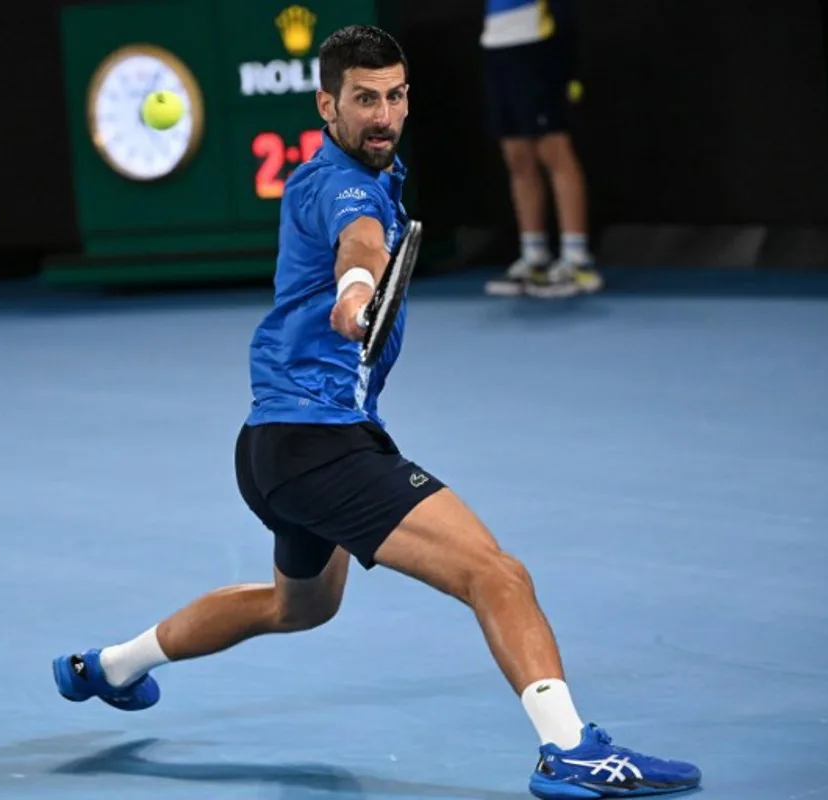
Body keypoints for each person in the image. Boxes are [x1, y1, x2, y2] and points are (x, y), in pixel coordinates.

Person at [52, 24, 700, 799]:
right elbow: (358, 246)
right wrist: (357, 294)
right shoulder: (343, 185)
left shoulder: (363, 173)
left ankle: (108, 668)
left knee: (299, 607)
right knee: (497, 575)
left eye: (394, 97)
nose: (384, 115)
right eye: (364, 100)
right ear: (327, 105)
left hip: (272, 449)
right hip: (320, 446)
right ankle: (570, 749)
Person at [480, 0, 603, 299]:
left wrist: (567, 65)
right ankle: (535, 256)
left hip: (537, 43)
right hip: (497, 41)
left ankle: (577, 260)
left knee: (553, 149)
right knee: (517, 154)